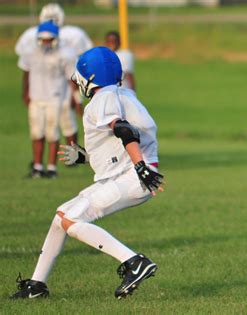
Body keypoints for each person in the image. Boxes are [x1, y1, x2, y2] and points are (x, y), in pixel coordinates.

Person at [10, 47, 164, 300]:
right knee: (61, 217)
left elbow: (125, 132)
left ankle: (134, 262)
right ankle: (36, 286)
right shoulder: (122, 94)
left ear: (91, 77)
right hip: (128, 173)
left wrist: (140, 167)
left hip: (134, 176)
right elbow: (117, 144)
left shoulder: (102, 98)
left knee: (71, 220)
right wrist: (86, 157)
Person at [16, 3, 93, 146]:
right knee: (46, 126)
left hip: (65, 83)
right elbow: (26, 66)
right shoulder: (38, 36)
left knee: (67, 122)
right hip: (45, 87)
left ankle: (73, 155)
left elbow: (75, 68)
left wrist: (76, 96)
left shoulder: (71, 35)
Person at [18, 21, 77, 178]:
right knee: (36, 132)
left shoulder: (65, 53)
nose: (46, 42)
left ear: (56, 38)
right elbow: (26, 72)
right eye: (43, 39)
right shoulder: (30, 51)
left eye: (49, 39)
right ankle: (37, 166)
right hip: (36, 97)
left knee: (52, 132)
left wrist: (75, 98)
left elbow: (71, 78)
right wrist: (25, 92)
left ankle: (51, 168)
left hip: (55, 97)